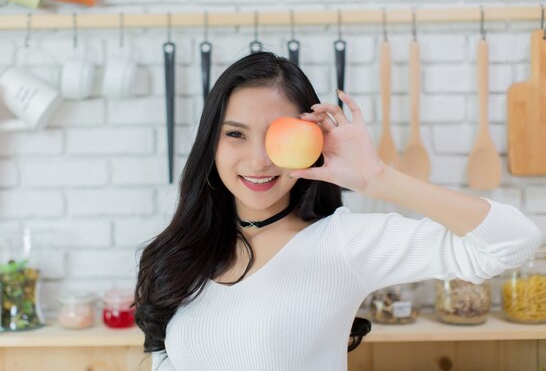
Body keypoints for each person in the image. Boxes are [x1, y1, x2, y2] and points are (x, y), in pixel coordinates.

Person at [134, 52, 543, 371]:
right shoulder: (183, 252)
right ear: (211, 141)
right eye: (236, 134)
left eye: (279, 136)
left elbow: (513, 241)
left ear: (312, 142)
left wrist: (376, 177)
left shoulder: (344, 243)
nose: (259, 160)